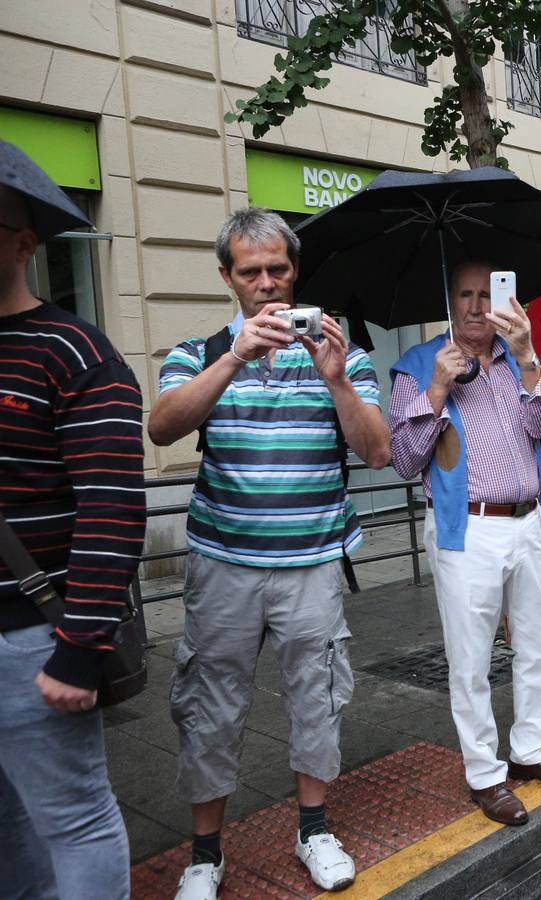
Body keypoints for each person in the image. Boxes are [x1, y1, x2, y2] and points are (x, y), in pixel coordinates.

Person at [148, 209, 390, 898]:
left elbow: (376, 450)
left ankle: (314, 830)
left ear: (295, 271)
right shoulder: (198, 352)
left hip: (311, 563)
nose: (265, 283)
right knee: (209, 704)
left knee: (317, 696)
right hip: (222, 563)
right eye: (249, 271)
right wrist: (234, 358)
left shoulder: (344, 353)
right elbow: (162, 428)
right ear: (226, 276)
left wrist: (339, 378)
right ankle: (205, 854)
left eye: (277, 268)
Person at [387, 261, 541, 828]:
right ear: (448, 301)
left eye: (488, 294)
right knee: (471, 660)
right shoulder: (417, 366)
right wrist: (436, 388)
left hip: (529, 522)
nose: (478, 306)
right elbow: (404, 461)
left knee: (539, 641)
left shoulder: (512, 358)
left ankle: (531, 750)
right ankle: (484, 773)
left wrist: (527, 357)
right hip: (466, 529)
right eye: (466, 295)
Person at [0, 174, 144, 898]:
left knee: (72, 820)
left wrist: (80, 650)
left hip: (31, 641)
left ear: (25, 244)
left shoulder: (75, 352)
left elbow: (112, 509)